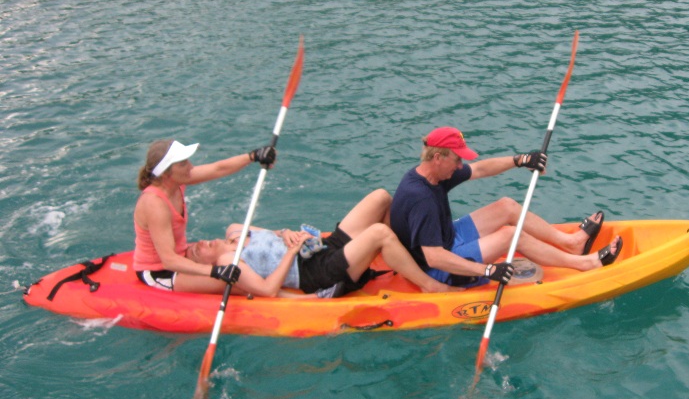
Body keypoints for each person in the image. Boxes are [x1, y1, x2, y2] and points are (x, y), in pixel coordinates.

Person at [390, 126, 623, 287]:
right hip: (441, 268)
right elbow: (434, 258)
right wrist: (487, 271)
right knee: (511, 236)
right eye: (457, 159)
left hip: (448, 237)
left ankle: (571, 244)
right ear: (438, 158)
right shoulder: (421, 198)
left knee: (507, 206)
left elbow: (480, 169)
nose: (461, 165)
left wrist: (520, 160)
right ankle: (584, 263)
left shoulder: (434, 174)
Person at [173, 189, 455, 297]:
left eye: (198, 243)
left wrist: (287, 234)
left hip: (320, 248)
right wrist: (291, 252)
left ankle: (407, 255)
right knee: (379, 232)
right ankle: (430, 285)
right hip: (316, 273)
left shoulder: (235, 230)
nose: (202, 243)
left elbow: (275, 232)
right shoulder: (228, 262)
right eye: (197, 252)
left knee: (380, 197)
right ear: (207, 263)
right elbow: (268, 290)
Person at [133, 139, 276, 290]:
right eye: (183, 164)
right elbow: (169, 261)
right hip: (161, 271)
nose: (190, 167)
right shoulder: (155, 204)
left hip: (182, 256)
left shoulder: (175, 182)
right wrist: (214, 271)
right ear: (165, 173)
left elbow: (218, 169)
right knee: (239, 281)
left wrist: (253, 156)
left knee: (239, 256)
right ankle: (283, 296)